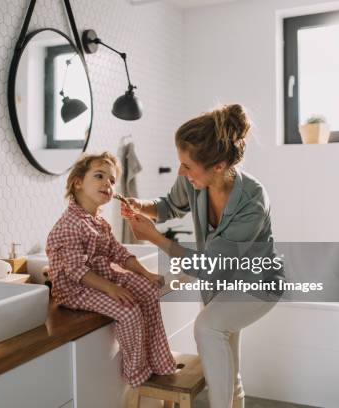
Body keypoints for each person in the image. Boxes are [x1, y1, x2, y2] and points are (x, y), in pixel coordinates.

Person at [121, 104, 284, 408]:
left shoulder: (252, 201)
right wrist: (140, 205)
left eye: (188, 166)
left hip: (257, 284)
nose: (181, 171)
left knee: (207, 327)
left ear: (219, 166)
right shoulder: (195, 179)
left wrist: (155, 238)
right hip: (221, 283)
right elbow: (169, 206)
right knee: (227, 363)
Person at [45, 152, 176, 387]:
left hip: (102, 277)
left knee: (148, 291)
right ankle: (136, 372)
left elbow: (119, 253)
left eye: (112, 180)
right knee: (129, 311)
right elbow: (78, 272)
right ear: (78, 182)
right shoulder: (69, 226)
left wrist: (146, 274)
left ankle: (158, 360)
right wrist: (112, 289)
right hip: (76, 290)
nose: (108, 183)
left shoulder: (98, 221)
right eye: (99, 176)